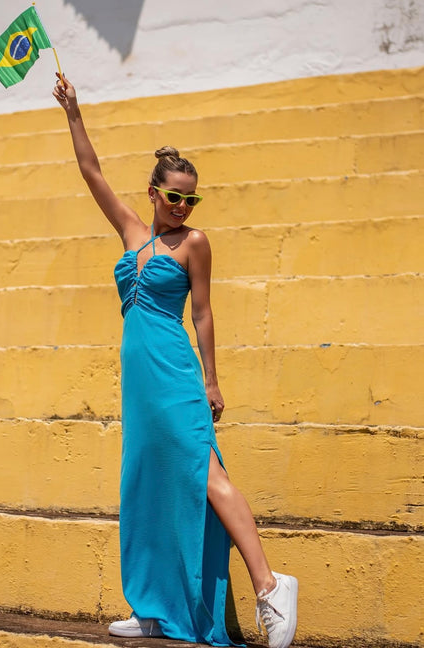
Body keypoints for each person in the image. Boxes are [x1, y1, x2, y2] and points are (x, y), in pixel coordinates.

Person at [53, 73, 298, 648]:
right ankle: (153, 608)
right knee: (146, 485)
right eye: (175, 196)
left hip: (176, 373)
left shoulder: (194, 243)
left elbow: (203, 314)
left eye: (192, 198)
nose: (183, 206)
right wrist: (73, 112)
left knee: (204, 475)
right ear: (153, 192)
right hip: (139, 383)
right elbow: (91, 172)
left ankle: (270, 586)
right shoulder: (131, 233)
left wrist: (212, 380)